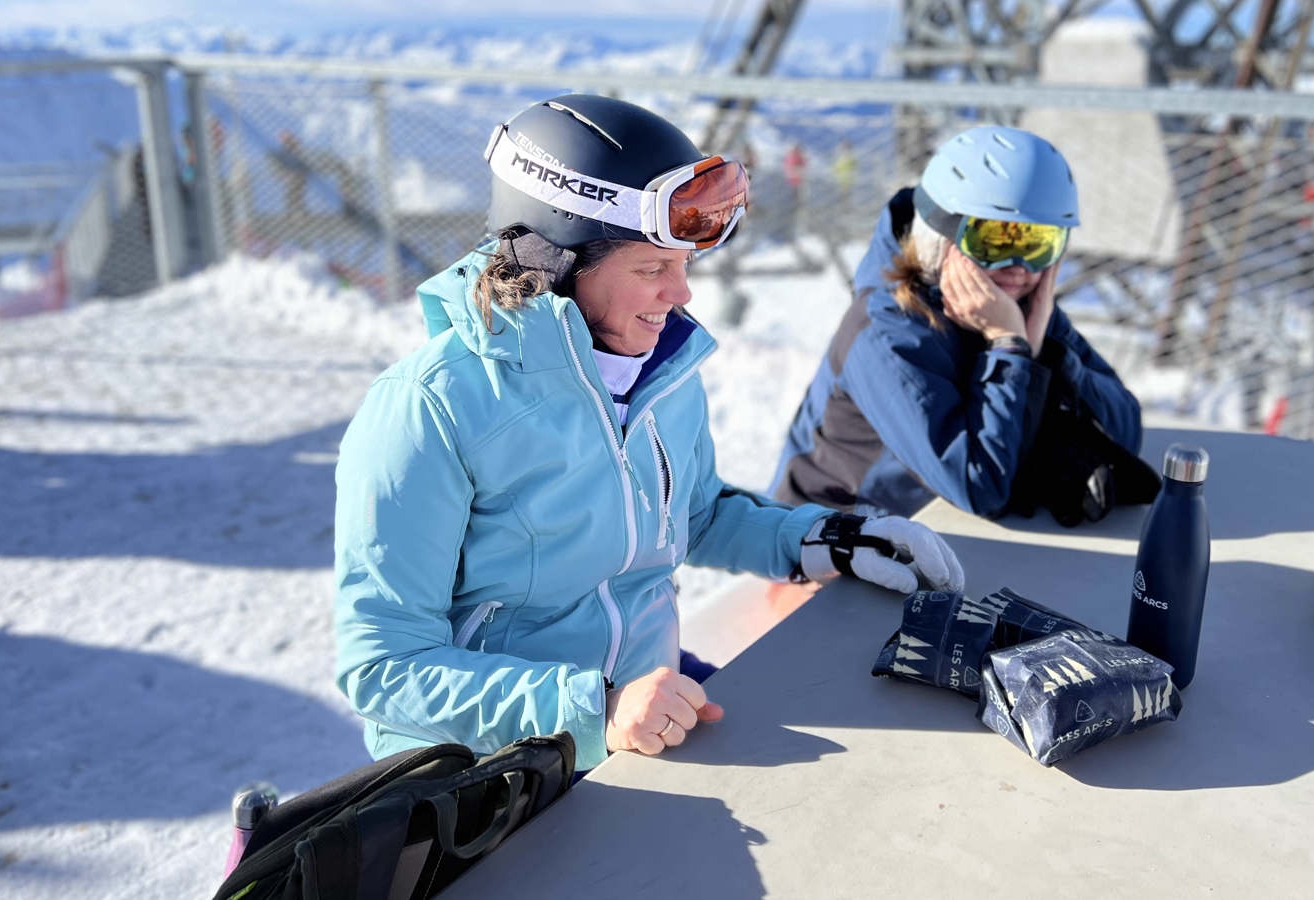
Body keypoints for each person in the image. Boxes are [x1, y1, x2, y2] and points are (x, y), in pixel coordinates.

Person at [331, 95, 963, 774]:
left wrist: (821, 538)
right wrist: (593, 709)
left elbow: (696, 513)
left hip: (647, 727)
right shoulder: (431, 407)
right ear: (556, 266)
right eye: (651, 269)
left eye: (684, 265)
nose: (682, 295)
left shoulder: (658, 372)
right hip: (497, 776)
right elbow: (383, 667)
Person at [770, 126, 1146, 522]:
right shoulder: (887, 332)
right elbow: (979, 486)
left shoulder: (1015, 304)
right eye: (996, 241)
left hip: (929, 532)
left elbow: (1126, 432)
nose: (1018, 266)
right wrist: (1008, 346)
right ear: (937, 235)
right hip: (821, 542)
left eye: (1038, 243)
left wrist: (1045, 353)